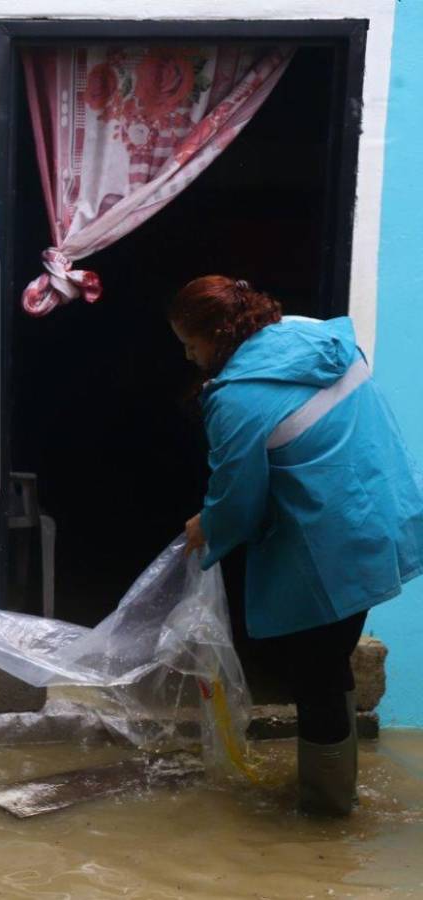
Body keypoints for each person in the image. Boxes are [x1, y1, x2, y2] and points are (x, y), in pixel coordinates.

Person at [168, 275, 423, 816]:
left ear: (216, 336)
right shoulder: (314, 334)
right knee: (331, 660)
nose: (190, 358)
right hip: (382, 510)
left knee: (316, 670)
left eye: (191, 344)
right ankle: (337, 791)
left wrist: (207, 525)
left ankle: (325, 815)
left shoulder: (235, 397)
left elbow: (238, 498)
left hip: (334, 539)